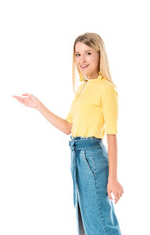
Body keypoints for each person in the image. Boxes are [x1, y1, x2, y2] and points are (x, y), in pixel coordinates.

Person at [13, 32, 124, 235]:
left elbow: (112, 136)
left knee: (100, 220)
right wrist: (38, 106)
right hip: (77, 156)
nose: (82, 59)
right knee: (87, 221)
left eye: (88, 53)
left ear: (99, 55)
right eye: (77, 54)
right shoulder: (82, 88)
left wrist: (113, 178)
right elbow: (68, 128)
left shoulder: (106, 89)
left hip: (92, 157)